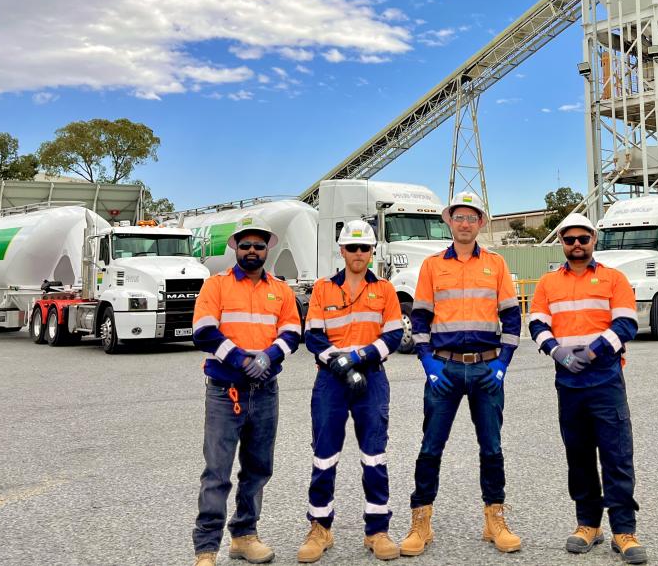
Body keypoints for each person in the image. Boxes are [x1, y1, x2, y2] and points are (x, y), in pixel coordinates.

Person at [400, 191, 522, 557]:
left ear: (481, 223)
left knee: (492, 448)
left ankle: (494, 519)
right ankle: (421, 521)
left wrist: (502, 363)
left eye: (472, 218)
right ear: (449, 222)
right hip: (445, 368)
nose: (465, 224)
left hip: (486, 368)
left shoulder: (496, 264)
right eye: (459, 217)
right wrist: (427, 361)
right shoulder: (433, 266)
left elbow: (512, 317)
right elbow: (420, 317)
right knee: (430, 448)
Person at [527, 212, 647, 564]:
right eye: (570, 240)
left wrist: (593, 350)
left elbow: (626, 323)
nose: (577, 246)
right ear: (561, 242)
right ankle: (588, 525)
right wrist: (558, 352)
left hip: (605, 381)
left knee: (616, 455)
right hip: (569, 382)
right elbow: (536, 322)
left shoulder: (613, 278)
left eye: (583, 239)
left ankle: (624, 530)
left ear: (594, 240)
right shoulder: (549, 283)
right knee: (578, 456)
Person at [190, 224, 303, 566]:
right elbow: (204, 332)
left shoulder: (280, 290)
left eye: (258, 245)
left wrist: (269, 356)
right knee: (217, 472)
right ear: (235, 247)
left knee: (257, 469)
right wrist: (240, 359)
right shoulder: (217, 285)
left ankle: (244, 536)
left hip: (265, 391)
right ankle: (206, 549)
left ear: (267, 250)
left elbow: (292, 332)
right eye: (246, 245)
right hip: (227, 393)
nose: (252, 251)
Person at [297, 220, 404, 563]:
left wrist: (357, 357)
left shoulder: (385, 290)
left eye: (365, 248)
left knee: (374, 454)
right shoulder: (323, 288)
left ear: (372, 252)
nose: (359, 254)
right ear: (341, 250)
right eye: (352, 248)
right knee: (324, 454)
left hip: (371, 378)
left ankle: (377, 530)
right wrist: (338, 363)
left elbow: (392, 336)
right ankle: (319, 527)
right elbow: (313, 335)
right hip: (331, 380)